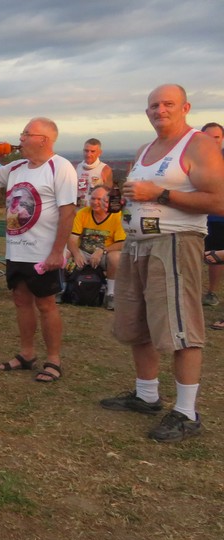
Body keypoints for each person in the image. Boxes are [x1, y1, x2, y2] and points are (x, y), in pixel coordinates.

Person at [99, 84, 224, 442]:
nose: (160, 110)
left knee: (181, 327)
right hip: (137, 245)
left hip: (175, 242)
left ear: (185, 107)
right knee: (137, 322)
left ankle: (187, 413)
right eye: (154, 105)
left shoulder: (199, 145)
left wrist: (160, 193)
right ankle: (147, 395)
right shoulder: (145, 149)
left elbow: (218, 201)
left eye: (168, 104)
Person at [0, 118, 77, 383]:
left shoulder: (60, 167)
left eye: (26, 133)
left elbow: (68, 213)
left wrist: (57, 252)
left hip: (43, 252)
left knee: (46, 304)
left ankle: (53, 360)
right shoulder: (16, 166)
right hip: (17, 249)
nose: (20, 138)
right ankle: (27, 354)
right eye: (22, 133)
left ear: (43, 140)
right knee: (21, 301)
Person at [66, 185, 125, 310]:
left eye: (99, 199)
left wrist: (102, 250)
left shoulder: (117, 215)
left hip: (104, 254)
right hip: (83, 251)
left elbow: (122, 243)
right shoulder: (83, 213)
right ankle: (61, 288)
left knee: (116, 257)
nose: (95, 202)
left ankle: (111, 294)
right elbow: (72, 239)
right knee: (64, 252)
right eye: (93, 198)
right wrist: (76, 253)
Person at [199, 122, 224, 309]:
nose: (213, 141)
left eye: (217, 137)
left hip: (218, 217)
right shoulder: (193, 159)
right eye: (208, 137)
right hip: (196, 216)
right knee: (193, 256)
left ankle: (212, 292)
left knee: (216, 255)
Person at [75, 138, 115, 207]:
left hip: (96, 209)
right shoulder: (77, 167)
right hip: (79, 209)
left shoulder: (105, 169)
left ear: (99, 153)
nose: (88, 154)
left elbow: (109, 194)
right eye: (86, 151)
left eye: (92, 151)